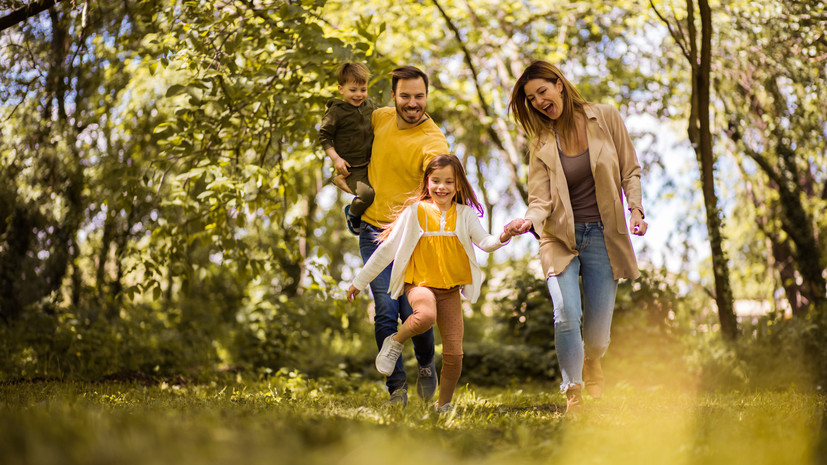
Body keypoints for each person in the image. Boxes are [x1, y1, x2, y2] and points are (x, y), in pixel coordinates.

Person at [505, 60, 648, 417]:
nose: (538, 101)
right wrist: (527, 221)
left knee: (597, 336)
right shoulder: (540, 142)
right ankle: (573, 393)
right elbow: (540, 200)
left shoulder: (606, 118)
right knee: (566, 313)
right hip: (558, 237)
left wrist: (635, 210)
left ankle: (593, 360)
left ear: (559, 86)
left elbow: (629, 169)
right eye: (531, 98)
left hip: (603, 234)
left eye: (542, 91)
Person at [347, 154, 516, 412]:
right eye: (436, 180)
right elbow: (387, 249)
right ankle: (394, 342)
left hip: (450, 290)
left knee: (454, 356)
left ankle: (443, 405)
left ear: (458, 185)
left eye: (449, 181)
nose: (442, 187)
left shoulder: (465, 214)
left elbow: (486, 242)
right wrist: (359, 282)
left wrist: (505, 233)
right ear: (427, 182)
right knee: (424, 316)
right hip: (419, 284)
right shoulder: (415, 212)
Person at [356, 66, 450, 407]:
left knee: (414, 308)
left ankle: (426, 364)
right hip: (372, 231)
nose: (413, 103)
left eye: (419, 96)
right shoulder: (379, 118)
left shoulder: (432, 139)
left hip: (412, 238)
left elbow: (440, 173)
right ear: (394, 96)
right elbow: (349, 125)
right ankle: (396, 388)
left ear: (427, 96)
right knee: (384, 310)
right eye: (406, 96)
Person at [318, 62, 379, 235]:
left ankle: (340, 182)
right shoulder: (336, 112)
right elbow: (324, 136)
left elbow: (384, 115)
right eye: (353, 90)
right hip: (352, 168)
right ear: (341, 89)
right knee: (367, 195)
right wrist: (336, 159)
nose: (359, 95)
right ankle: (352, 213)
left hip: (371, 161)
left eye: (363, 89)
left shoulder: (369, 105)